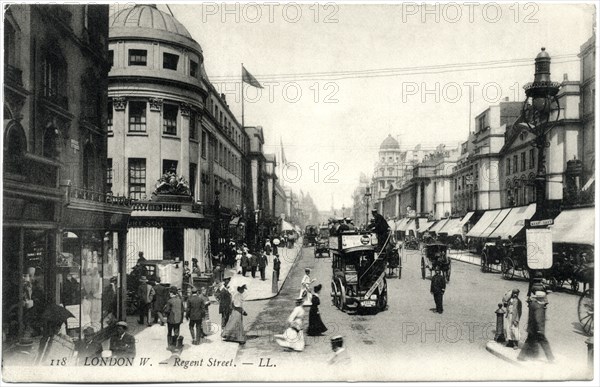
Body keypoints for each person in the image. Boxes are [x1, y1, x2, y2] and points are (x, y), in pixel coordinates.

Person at [517, 291, 555, 362]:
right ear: (541, 298)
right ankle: (550, 358)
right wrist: (540, 329)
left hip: (531, 328)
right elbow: (538, 318)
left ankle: (521, 356)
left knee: (528, 342)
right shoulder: (539, 307)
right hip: (537, 329)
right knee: (544, 342)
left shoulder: (533, 304)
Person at [163, 286, 184, 351]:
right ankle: (175, 344)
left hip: (171, 320)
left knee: (169, 332)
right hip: (178, 319)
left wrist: (164, 309)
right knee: (176, 332)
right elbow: (183, 310)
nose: (169, 293)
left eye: (170, 292)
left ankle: (170, 346)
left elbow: (167, 311)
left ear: (171, 293)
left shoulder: (169, 301)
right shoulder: (180, 300)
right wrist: (181, 319)